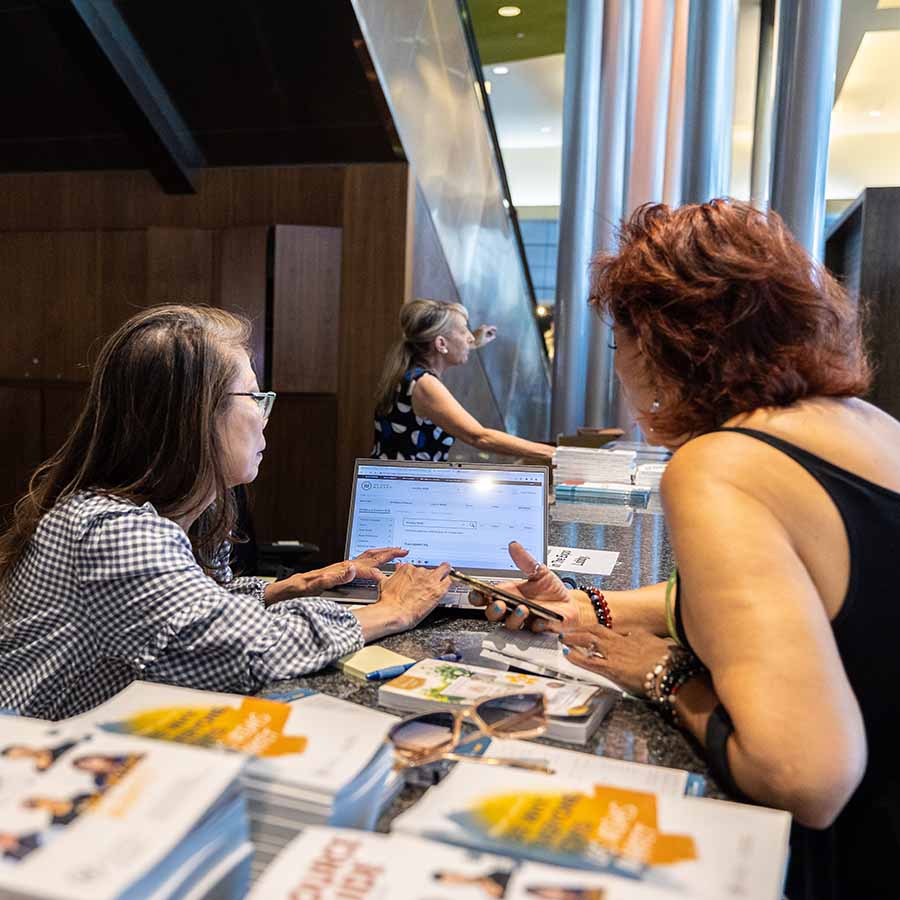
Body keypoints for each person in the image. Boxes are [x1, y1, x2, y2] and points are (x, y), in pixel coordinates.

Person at [473, 201, 898, 900]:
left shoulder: (721, 462)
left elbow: (809, 776)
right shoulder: (868, 425)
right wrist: (594, 605)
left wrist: (663, 676)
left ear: (662, 341)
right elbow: (810, 599)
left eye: (620, 340)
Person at [0, 305, 450, 721]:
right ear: (192, 416)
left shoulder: (163, 512)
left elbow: (199, 608)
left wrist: (296, 585)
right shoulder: (111, 531)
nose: (265, 416)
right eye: (254, 398)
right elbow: (248, 650)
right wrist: (393, 610)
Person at [372, 298, 553, 461]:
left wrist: (473, 342)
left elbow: (452, 346)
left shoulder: (409, 372)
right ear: (441, 344)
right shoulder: (425, 385)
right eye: (463, 330)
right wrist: (553, 453)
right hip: (403, 491)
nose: (469, 337)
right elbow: (479, 437)